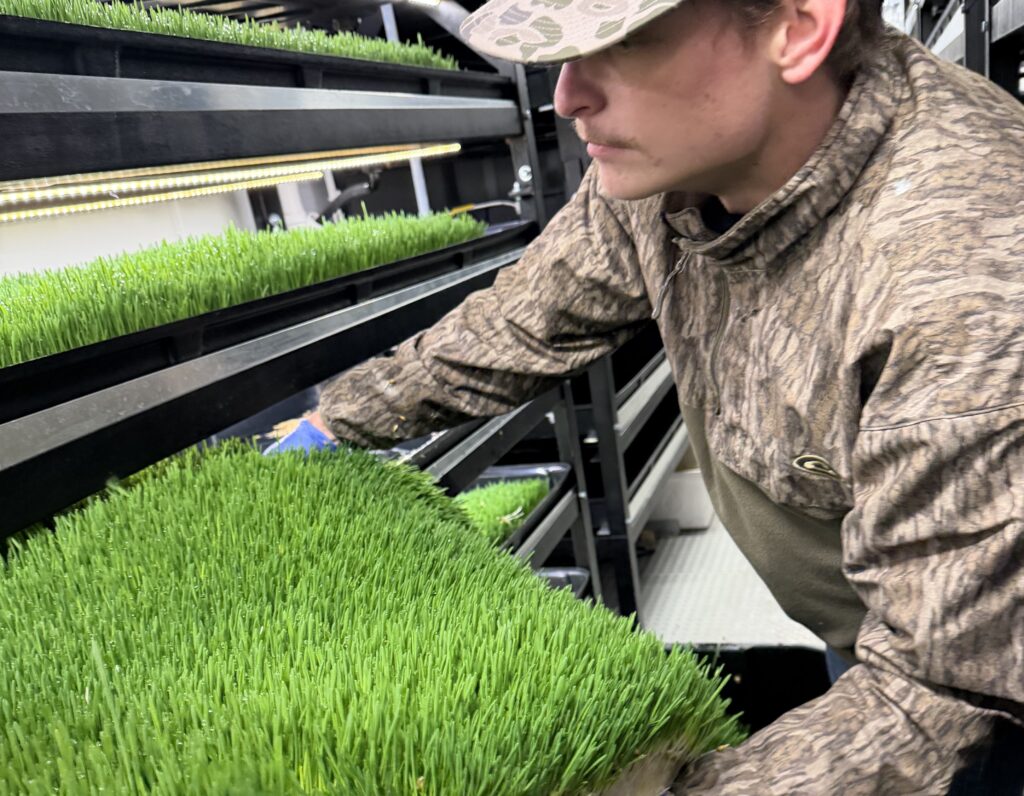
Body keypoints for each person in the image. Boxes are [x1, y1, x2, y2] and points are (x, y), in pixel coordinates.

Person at [305, 0, 1024, 791]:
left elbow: (941, 692)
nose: (566, 95)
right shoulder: (672, 166)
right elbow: (533, 310)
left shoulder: (971, 281)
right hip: (867, 624)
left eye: (623, 40)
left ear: (799, 25)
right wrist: (331, 422)